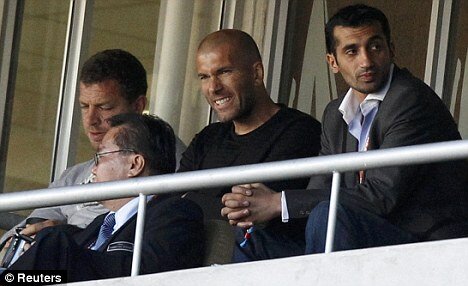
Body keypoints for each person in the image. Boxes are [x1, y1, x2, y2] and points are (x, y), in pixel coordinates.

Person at [221, 4, 468, 254]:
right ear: (333, 62)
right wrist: (253, 206)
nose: (366, 61)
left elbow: (381, 196)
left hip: (427, 246)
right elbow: (321, 187)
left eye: (375, 46)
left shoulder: (410, 99)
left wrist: (279, 202)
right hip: (366, 239)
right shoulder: (335, 113)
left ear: (391, 50)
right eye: (352, 51)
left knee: (328, 216)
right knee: (251, 234)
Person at [0, 49, 185, 245]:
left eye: (104, 107)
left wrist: (63, 239)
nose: (90, 120)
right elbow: (22, 233)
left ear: (138, 106)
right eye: (84, 106)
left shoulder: (172, 164)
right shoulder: (73, 176)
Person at [8, 114, 204, 283]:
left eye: (100, 156)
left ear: (135, 164)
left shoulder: (176, 212)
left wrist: (60, 249)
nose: (94, 169)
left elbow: (151, 275)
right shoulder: (102, 223)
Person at [178, 29, 321, 262]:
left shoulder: (300, 131)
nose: (213, 87)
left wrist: (194, 201)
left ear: (257, 73)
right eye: (204, 77)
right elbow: (174, 204)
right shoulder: (207, 137)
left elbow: (250, 213)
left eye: (224, 72)